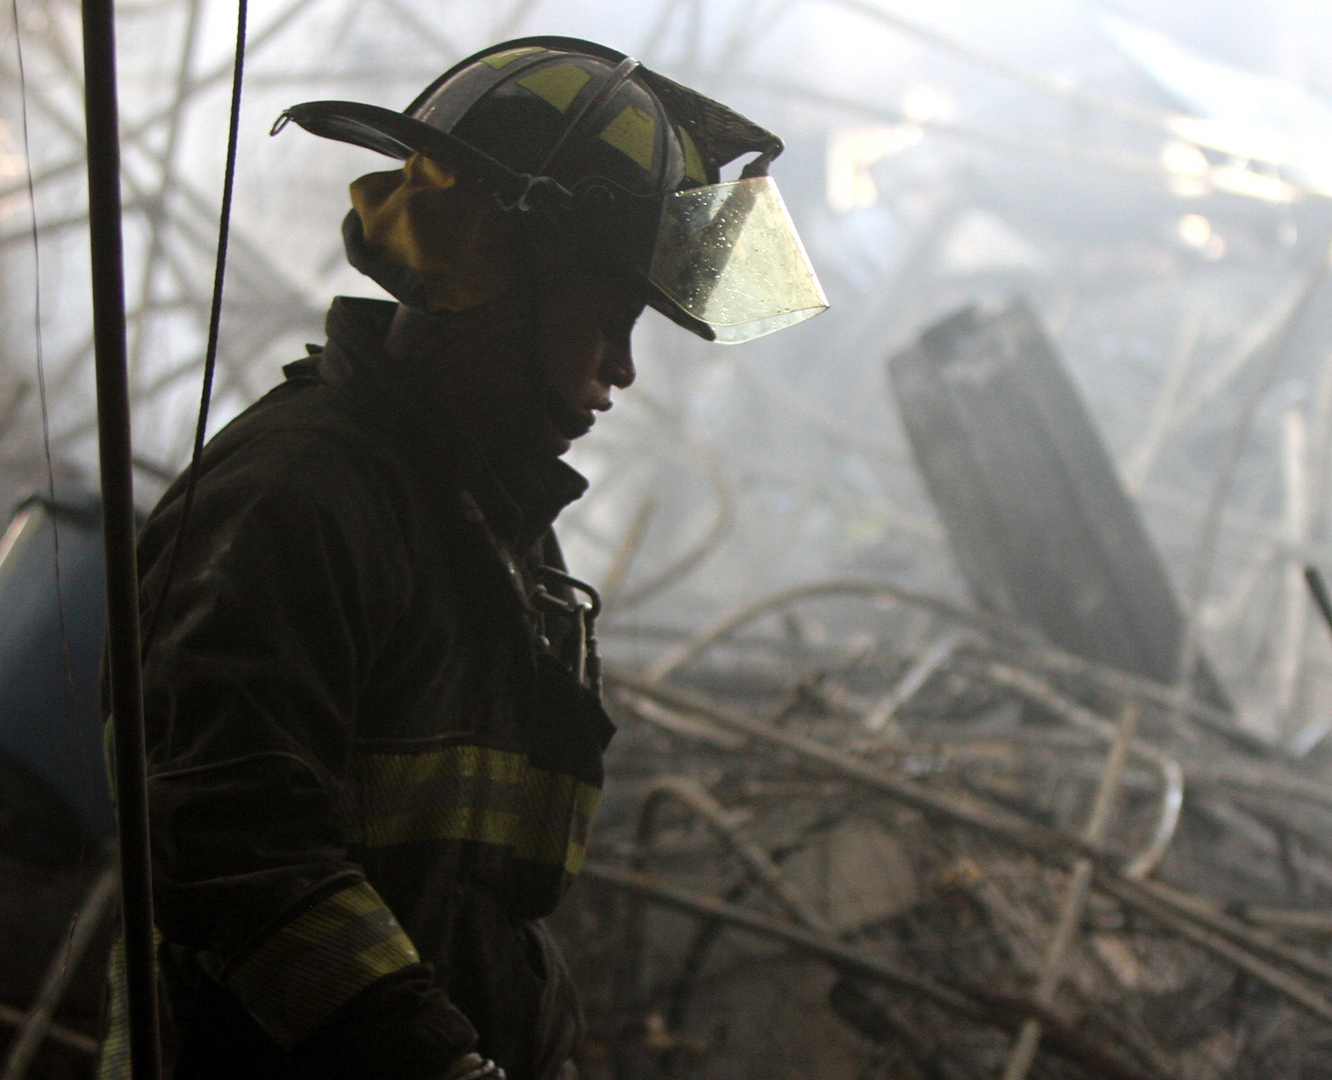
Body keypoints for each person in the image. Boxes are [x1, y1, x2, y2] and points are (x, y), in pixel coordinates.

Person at [96, 37, 825, 1080]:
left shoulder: (492, 524)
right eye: (608, 316)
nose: (621, 367)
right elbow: (230, 849)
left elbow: (484, 901)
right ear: (501, 270)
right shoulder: (295, 504)